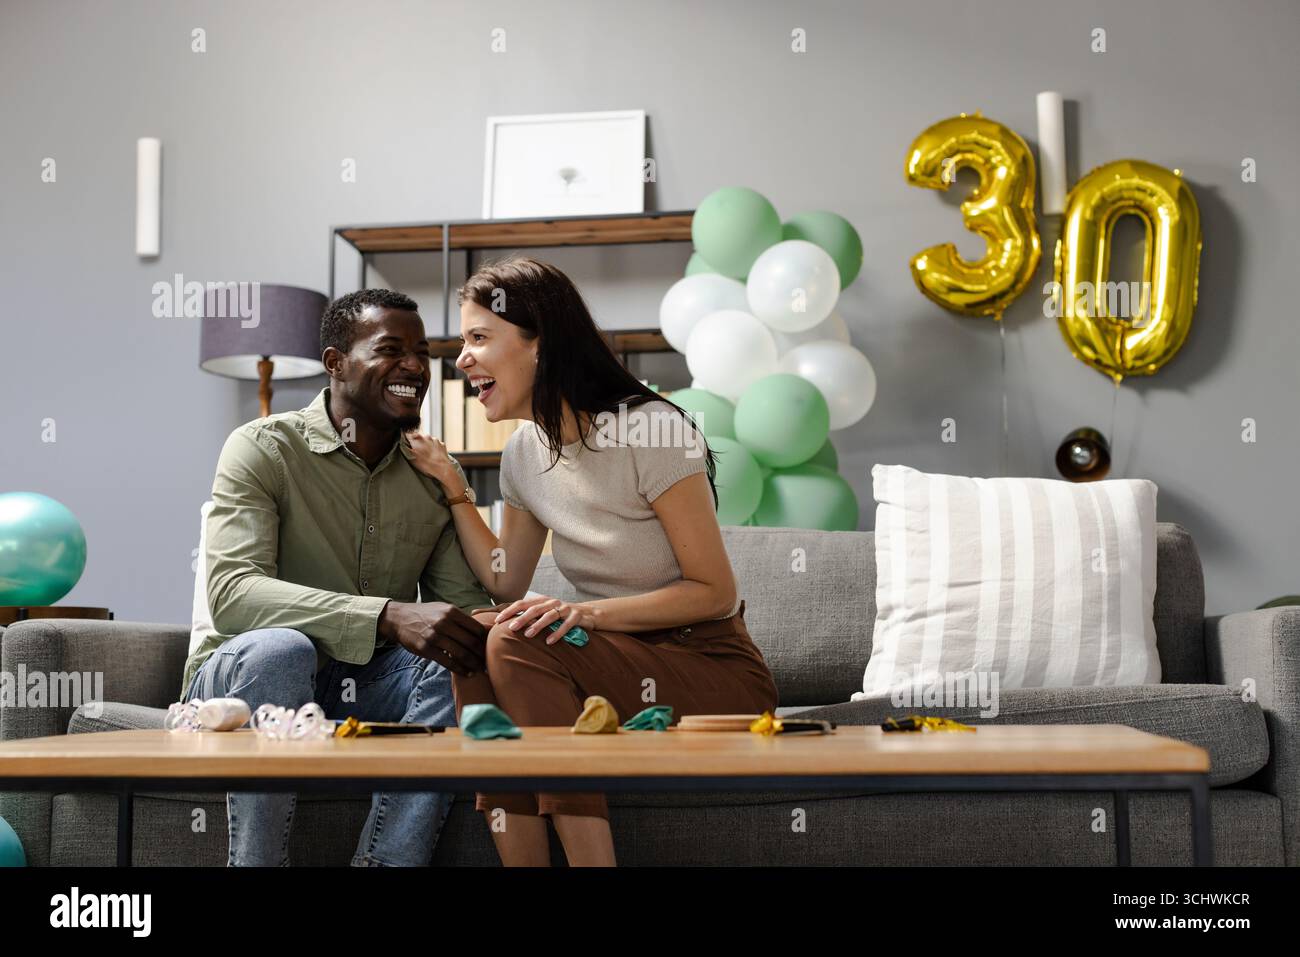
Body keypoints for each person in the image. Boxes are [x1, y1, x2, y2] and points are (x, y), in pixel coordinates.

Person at [406, 255, 779, 867]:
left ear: (539, 346)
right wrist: (452, 484)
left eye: (478, 338)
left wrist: (585, 616)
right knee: (476, 637)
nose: (462, 360)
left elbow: (712, 591)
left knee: (519, 640)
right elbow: (505, 579)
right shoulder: (523, 453)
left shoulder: (652, 431)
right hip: (618, 664)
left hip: (713, 667)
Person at [182, 288, 493, 867]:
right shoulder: (263, 448)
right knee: (281, 651)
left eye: (421, 352)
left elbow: (459, 609)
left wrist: (522, 625)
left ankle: (385, 864)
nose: (414, 368)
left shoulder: (430, 476)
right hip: (247, 681)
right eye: (390, 350)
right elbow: (233, 595)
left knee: (454, 654)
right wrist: (385, 613)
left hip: (363, 688)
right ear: (335, 364)